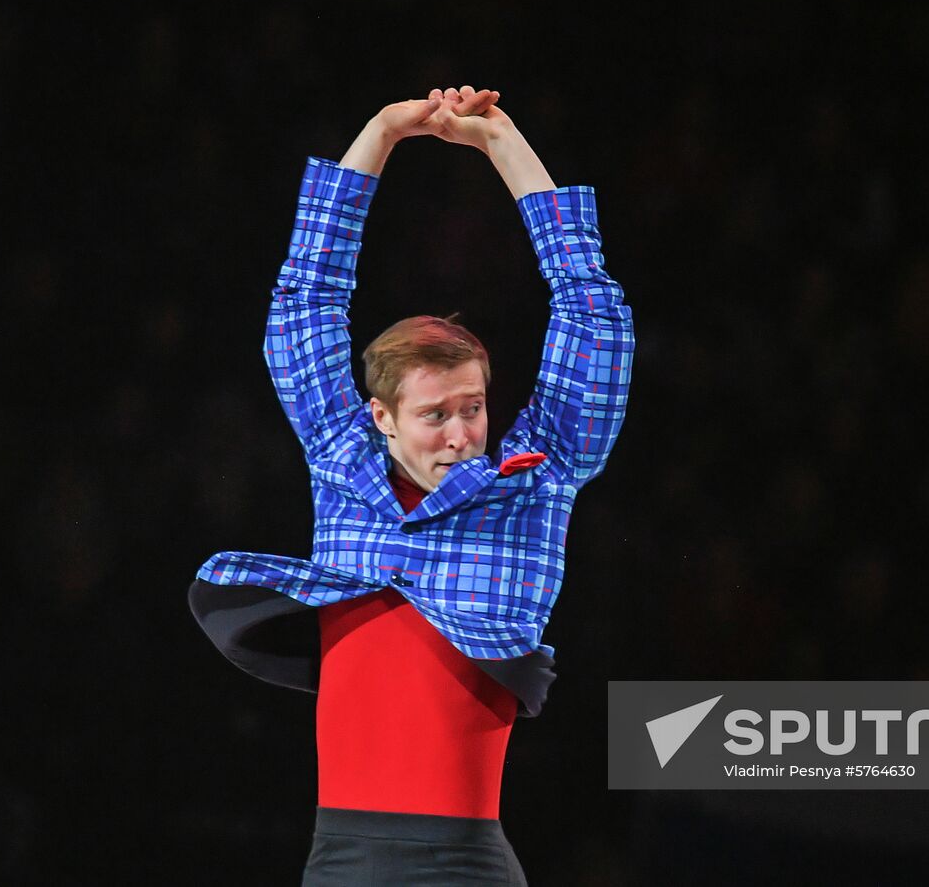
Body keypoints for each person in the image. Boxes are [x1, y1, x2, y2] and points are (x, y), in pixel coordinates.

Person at [188, 86, 634, 885]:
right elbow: (305, 300)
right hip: (338, 861)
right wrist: (381, 133)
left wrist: (503, 146)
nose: (462, 433)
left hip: (462, 865)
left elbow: (591, 310)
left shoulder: (533, 486)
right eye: (436, 415)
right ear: (382, 418)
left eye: (474, 407)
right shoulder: (341, 464)